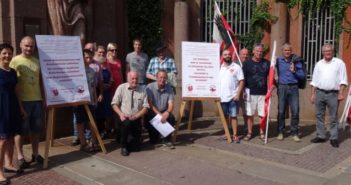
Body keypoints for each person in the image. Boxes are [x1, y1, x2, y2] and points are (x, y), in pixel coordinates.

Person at [10, 36, 44, 168]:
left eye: (31, 46)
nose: (29, 48)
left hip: (37, 100)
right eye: (26, 45)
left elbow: (40, 82)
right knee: (21, 131)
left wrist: (44, 98)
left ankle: (35, 154)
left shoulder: (37, 61)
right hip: (22, 102)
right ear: (20, 45)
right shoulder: (14, 61)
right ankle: (20, 156)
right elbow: (13, 84)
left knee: (36, 130)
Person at [310, 43, 348, 148]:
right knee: (319, 116)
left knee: (333, 117)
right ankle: (321, 136)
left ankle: (334, 138)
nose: (328, 53)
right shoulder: (319, 64)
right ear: (322, 52)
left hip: (333, 94)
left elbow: (343, 80)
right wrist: (313, 94)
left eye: (329, 51)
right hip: (320, 93)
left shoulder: (339, 63)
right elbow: (314, 81)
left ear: (332, 51)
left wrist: (341, 93)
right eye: (325, 51)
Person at [0, 43, 23, 184]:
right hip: (1, 108)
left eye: (9, 53)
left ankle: (9, 163)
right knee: (2, 140)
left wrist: (21, 108)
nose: (7, 56)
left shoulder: (13, 72)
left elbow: (16, 91)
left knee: (10, 137)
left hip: (12, 107)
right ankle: (0, 171)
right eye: (4, 53)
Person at [111, 71, 149, 156]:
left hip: (136, 118)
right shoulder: (121, 87)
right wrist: (120, 114)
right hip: (124, 117)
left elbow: (146, 107)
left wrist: (136, 116)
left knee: (136, 148)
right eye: (132, 79)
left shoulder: (143, 89)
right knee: (126, 124)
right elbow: (114, 104)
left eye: (136, 78)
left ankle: (128, 138)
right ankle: (123, 146)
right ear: (128, 79)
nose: (135, 80)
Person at [275, 43, 305, 142]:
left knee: (295, 111)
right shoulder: (278, 61)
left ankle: (295, 133)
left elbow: (302, 76)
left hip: (293, 88)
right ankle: (280, 132)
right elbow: (271, 71)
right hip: (282, 87)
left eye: (289, 50)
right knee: (281, 111)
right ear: (282, 51)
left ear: (291, 51)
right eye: (285, 50)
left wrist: (294, 71)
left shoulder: (296, 61)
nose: (287, 52)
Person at [242, 43, 270, 141]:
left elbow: (270, 77)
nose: (259, 53)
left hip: (263, 93)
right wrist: (243, 91)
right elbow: (243, 79)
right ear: (253, 51)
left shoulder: (267, 63)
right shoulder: (246, 64)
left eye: (261, 51)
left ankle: (262, 132)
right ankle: (250, 132)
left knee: (262, 114)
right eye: (257, 51)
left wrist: (273, 84)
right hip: (250, 92)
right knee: (250, 114)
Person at [73, 49, 99, 152]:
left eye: (90, 57)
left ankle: (94, 142)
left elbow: (93, 86)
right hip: (78, 101)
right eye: (86, 57)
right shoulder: (76, 71)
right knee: (80, 122)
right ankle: (83, 143)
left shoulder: (92, 71)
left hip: (90, 101)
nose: (88, 59)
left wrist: (95, 99)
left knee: (92, 122)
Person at [145, 69, 176, 149]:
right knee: (154, 141)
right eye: (160, 77)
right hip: (152, 113)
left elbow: (171, 104)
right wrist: (160, 115)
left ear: (166, 79)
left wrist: (167, 112)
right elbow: (150, 104)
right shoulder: (150, 87)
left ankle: (167, 139)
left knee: (171, 117)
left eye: (164, 77)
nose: (162, 79)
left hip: (163, 111)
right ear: (156, 77)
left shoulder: (169, 88)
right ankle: (157, 134)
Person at [219, 49, 244, 142]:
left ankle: (235, 135)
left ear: (231, 55)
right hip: (222, 97)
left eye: (229, 54)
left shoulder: (237, 67)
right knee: (224, 116)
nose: (227, 56)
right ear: (222, 56)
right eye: (225, 54)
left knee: (233, 116)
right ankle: (226, 133)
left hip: (233, 97)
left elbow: (242, 81)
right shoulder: (219, 68)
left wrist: (238, 94)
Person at [106, 43, 124, 142]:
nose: (114, 52)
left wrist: (122, 85)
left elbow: (120, 73)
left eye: (116, 50)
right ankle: (109, 128)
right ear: (108, 50)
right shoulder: (106, 61)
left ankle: (117, 128)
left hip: (118, 87)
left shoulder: (118, 61)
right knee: (110, 109)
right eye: (112, 50)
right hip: (110, 88)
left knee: (118, 107)